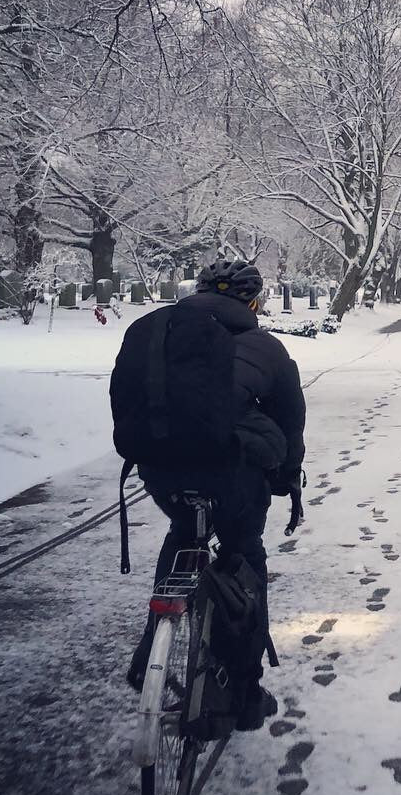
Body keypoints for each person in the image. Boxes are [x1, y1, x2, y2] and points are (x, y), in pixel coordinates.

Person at [110, 259, 306, 729]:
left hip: (160, 470)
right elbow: (289, 423)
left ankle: (156, 632)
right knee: (243, 556)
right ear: (253, 301)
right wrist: (287, 479)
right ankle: (240, 692)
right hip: (230, 474)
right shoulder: (266, 346)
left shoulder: (162, 334)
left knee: (184, 531)